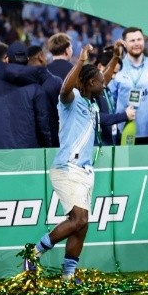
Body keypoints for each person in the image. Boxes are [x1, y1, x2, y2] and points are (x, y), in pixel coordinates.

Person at [23, 43, 120, 282]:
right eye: (100, 82)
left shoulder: (91, 102)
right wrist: (80, 61)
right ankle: (33, 253)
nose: (104, 84)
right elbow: (65, 88)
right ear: (89, 82)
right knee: (79, 219)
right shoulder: (71, 99)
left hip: (85, 171)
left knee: (82, 225)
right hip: (67, 168)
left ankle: (68, 275)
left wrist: (116, 57)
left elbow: (105, 76)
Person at [0, 42, 51, 149]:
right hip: (28, 153)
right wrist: (47, 148)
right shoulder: (37, 88)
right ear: (27, 59)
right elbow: (43, 125)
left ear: (7, 59)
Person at [108, 27, 148, 145]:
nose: (136, 43)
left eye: (139, 39)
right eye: (132, 41)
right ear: (125, 44)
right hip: (124, 132)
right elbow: (110, 99)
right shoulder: (117, 68)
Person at [95, 47, 134, 146]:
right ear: (99, 66)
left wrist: (119, 138)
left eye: (116, 73)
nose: (113, 76)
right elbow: (97, 117)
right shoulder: (90, 91)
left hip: (110, 144)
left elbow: (110, 116)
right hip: (98, 148)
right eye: (112, 72)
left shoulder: (107, 90)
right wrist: (124, 116)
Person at [27, 45, 64, 147]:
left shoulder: (21, 83)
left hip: (29, 143)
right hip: (55, 140)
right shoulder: (56, 82)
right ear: (40, 57)